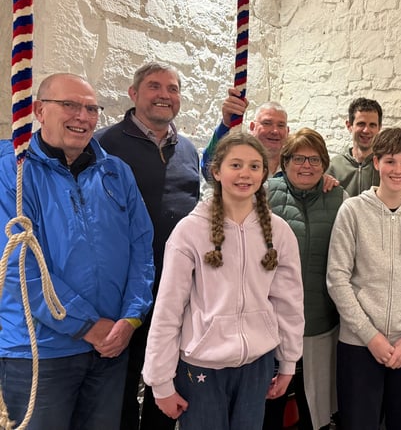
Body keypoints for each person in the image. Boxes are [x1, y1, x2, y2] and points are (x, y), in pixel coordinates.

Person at [0, 73, 154, 429]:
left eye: (91, 108)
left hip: (110, 347)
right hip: (40, 352)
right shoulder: (12, 169)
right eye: (69, 105)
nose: (82, 116)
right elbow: (17, 262)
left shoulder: (115, 172)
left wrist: (131, 318)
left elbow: (141, 247)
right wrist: (86, 325)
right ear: (39, 110)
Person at [142, 132, 304, 430]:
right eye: (236, 165)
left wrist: (289, 361)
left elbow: (289, 302)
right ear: (216, 171)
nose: (245, 174)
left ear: (265, 173)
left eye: (255, 166)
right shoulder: (189, 232)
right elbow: (169, 308)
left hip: (257, 363)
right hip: (202, 365)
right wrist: (160, 380)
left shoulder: (279, 232)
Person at [95, 61, 200, 430]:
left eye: (172, 89)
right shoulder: (105, 144)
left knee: (165, 379)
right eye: (155, 86)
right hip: (121, 287)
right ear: (133, 93)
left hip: (174, 286)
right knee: (118, 384)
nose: (164, 95)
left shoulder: (187, 150)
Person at [327, 127, 401, 430]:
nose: (398, 170)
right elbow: (337, 279)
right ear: (376, 162)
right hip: (360, 344)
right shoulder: (352, 210)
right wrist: (371, 337)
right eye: (390, 161)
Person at [265, 128, 346, 430]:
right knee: (270, 403)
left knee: (316, 408)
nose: (307, 166)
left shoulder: (338, 197)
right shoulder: (264, 195)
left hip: (320, 319)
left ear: (325, 164)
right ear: (285, 161)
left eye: (314, 159)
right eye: (299, 158)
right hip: (272, 322)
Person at [201, 89, 288, 180]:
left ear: (287, 131)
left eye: (281, 125)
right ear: (252, 127)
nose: (275, 131)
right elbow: (209, 171)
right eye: (267, 123)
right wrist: (226, 124)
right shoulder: (238, 159)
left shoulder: (296, 167)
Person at [327, 97, 383, 196]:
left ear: (379, 128)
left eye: (372, 125)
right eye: (361, 124)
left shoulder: (386, 166)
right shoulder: (333, 167)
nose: (366, 130)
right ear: (349, 126)